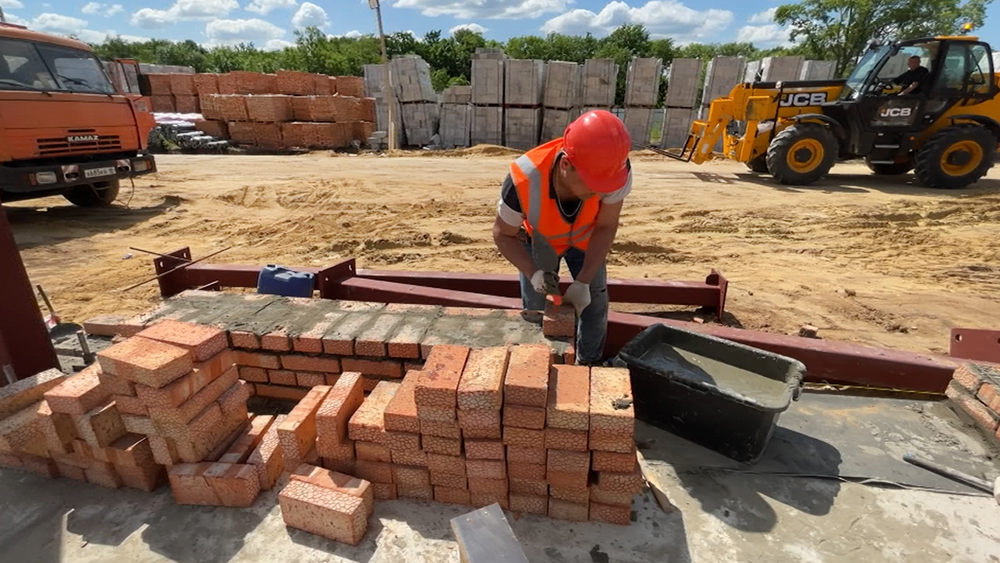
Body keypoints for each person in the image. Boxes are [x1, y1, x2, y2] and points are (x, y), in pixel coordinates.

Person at [491, 110, 632, 365]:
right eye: (592, 184)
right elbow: (502, 234)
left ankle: (588, 364)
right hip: (540, 241)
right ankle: (535, 364)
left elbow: (606, 225)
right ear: (565, 165)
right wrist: (533, 273)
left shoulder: (614, 172)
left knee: (595, 301)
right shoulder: (523, 178)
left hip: (586, 239)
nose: (600, 191)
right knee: (536, 307)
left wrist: (584, 281)